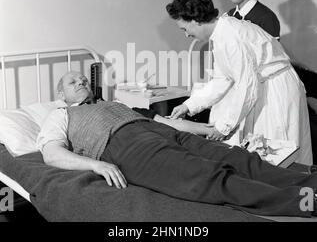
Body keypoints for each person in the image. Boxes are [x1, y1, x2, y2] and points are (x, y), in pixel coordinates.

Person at [36, 71, 317, 218]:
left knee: (237, 157)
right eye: (73, 81)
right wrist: (96, 165)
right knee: (207, 175)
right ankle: (303, 203)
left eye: (83, 78)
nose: (82, 81)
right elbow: (51, 153)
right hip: (126, 145)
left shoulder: (114, 102)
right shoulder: (61, 114)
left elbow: (166, 120)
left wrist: (211, 129)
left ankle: (310, 180)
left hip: (158, 130)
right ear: (61, 93)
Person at [166, 0, 312, 165]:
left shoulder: (231, 35)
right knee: (263, 155)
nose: (186, 34)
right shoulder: (221, 34)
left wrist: (224, 127)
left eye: (184, 28)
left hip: (276, 90)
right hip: (263, 86)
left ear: (196, 21)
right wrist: (188, 105)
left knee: (280, 154)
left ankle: (296, 190)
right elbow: (222, 79)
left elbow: (247, 85)